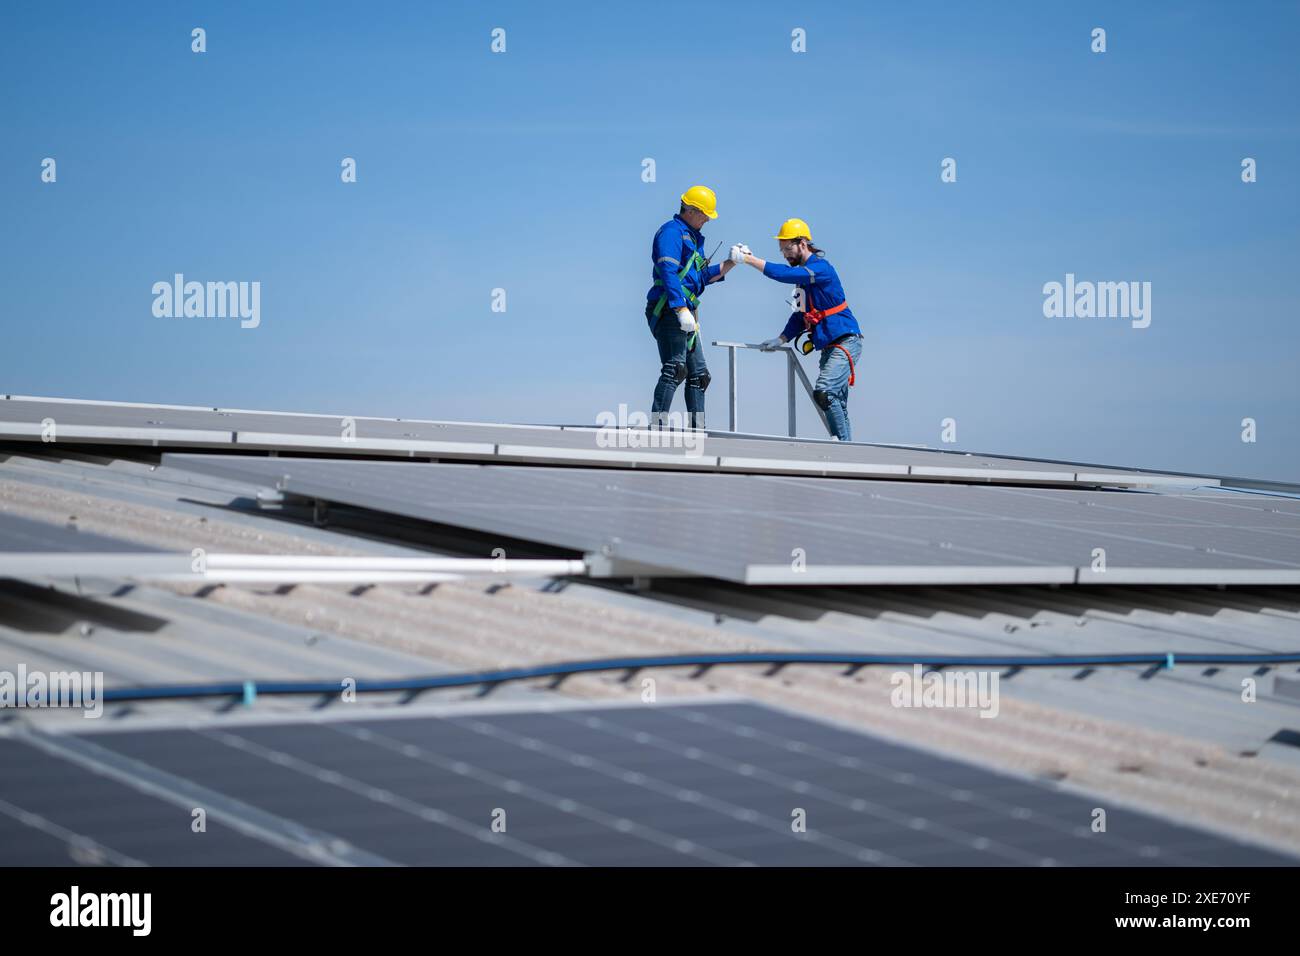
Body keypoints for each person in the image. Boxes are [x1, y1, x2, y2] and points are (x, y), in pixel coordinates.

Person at [731, 218, 863, 441]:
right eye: (782, 250)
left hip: (846, 341)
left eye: (787, 248)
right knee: (836, 402)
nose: (785, 254)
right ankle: (847, 449)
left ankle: (842, 448)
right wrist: (780, 339)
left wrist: (747, 259)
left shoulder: (820, 269)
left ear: (803, 243)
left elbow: (783, 274)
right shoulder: (802, 282)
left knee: (825, 392)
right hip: (828, 346)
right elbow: (799, 316)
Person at [646, 185, 737, 429]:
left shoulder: (694, 239)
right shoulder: (672, 232)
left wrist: (731, 263)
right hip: (669, 308)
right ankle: (657, 428)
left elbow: (700, 278)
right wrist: (679, 308)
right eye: (705, 214)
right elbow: (668, 270)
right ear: (692, 210)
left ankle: (698, 431)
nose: (707, 219)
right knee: (675, 368)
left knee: (699, 376)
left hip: (685, 310)